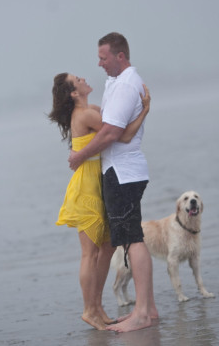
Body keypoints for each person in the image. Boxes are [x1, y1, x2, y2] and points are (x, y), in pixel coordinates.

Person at [68, 32, 159, 333]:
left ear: (120, 56)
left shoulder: (125, 85)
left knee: (133, 239)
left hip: (122, 172)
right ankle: (149, 310)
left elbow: (110, 134)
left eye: (103, 57)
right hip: (122, 171)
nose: (99, 63)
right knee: (133, 238)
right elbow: (118, 131)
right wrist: (144, 110)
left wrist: (79, 156)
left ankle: (142, 313)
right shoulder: (118, 84)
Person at [49, 73, 151, 330]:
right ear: (74, 93)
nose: (84, 79)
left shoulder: (91, 110)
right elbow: (123, 135)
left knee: (105, 248)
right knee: (89, 254)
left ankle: (97, 308)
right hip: (87, 188)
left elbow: (113, 120)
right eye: (78, 80)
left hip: (95, 184)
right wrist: (145, 110)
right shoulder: (86, 115)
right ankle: (89, 310)